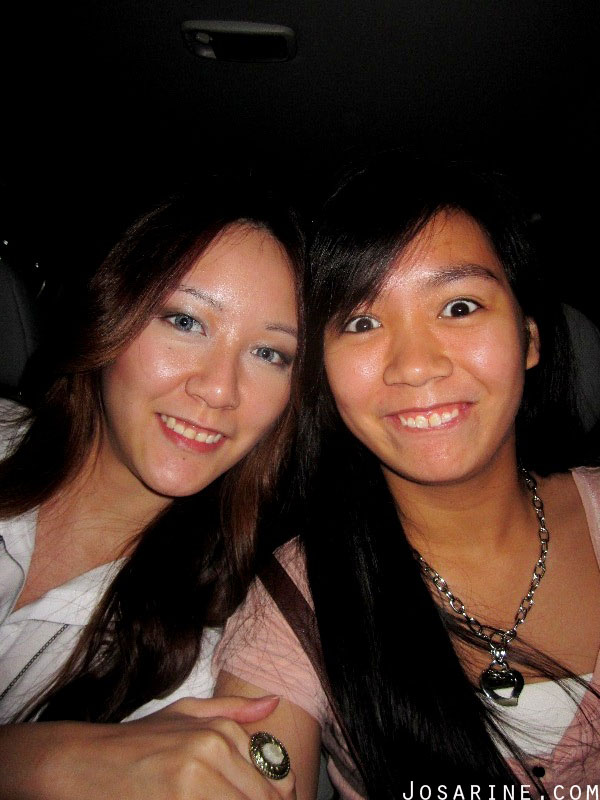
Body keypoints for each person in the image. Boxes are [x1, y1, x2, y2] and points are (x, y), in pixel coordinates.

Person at [214, 156, 600, 798]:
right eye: (362, 322)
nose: (415, 366)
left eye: (459, 306)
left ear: (529, 339)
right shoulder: (294, 602)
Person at [0, 175, 303, 800]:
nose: (219, 390)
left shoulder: (202, 664)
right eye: (186, 321)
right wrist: (46, 762)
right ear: (113, 310)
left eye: (269, 354)